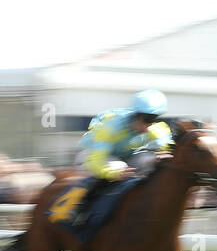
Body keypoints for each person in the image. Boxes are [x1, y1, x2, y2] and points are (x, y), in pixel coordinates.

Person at [71, 89, 173, 228]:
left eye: (154, 119)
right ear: (135, 115)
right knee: (118, 167)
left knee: (152, 160)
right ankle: (80, 211)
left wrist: (164, 151)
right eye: (147, 120)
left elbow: (167, 142)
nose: (149, 125)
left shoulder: (153, 127)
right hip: (92, 157)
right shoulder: (110, 126)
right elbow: (97, 161)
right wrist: (113, 173)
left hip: (125, 157)